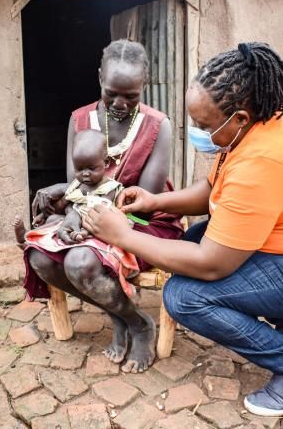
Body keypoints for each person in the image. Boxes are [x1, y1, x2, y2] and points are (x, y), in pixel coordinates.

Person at [83, 42, 283, 416]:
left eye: (205, 126)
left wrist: (123, 236)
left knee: (184, 298)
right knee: (188, 241)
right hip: (270, 241)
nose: (197, 132)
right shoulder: (254, 127)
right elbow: (211, 192)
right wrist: (154, 201)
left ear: (239, 117)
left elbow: (212, 264)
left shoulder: (261, 160)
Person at [22, 39, 183, 373]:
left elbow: (142, 199)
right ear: (99, 78)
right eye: (112, 93)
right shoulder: (79, 120)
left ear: (145, 84)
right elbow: (76, 185)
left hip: (139, 222)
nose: (120, 104)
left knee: (80, 262)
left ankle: (139, 325)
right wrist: (69, 214)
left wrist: (78, 209)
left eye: (131, 96)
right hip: (84, 212)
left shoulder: (158, 126)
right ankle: (124, 315)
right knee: (40, 257)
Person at [15, 129, 139, 297]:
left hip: (99, 224)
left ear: (106, 163)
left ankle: (78, 236)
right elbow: (67, 205)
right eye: (79, 169)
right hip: (73, 221)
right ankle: (27, 236)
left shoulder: (110, 188)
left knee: (87, 227)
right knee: (53, 219)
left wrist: (73, 212)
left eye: (91, 168)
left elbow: (98, 208)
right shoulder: (76, 184)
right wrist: (48, 212)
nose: (85, 174)